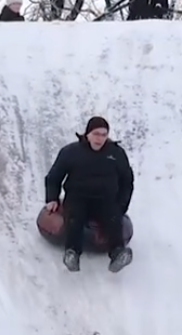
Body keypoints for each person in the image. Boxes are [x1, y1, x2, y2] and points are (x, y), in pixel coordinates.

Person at [43, 116, 135, 273]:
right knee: (74, 217)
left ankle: (118, 253)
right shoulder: (71, 152)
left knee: (113, 216)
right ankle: (72, 253)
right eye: (96, 134)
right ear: (87, 134)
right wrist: (52, 198)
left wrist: (122, 205)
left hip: (105, 198)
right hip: (78, 196)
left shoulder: (116, 153)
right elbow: (54, 176)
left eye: (103, 134)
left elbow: (127, 181)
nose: (100, 138)